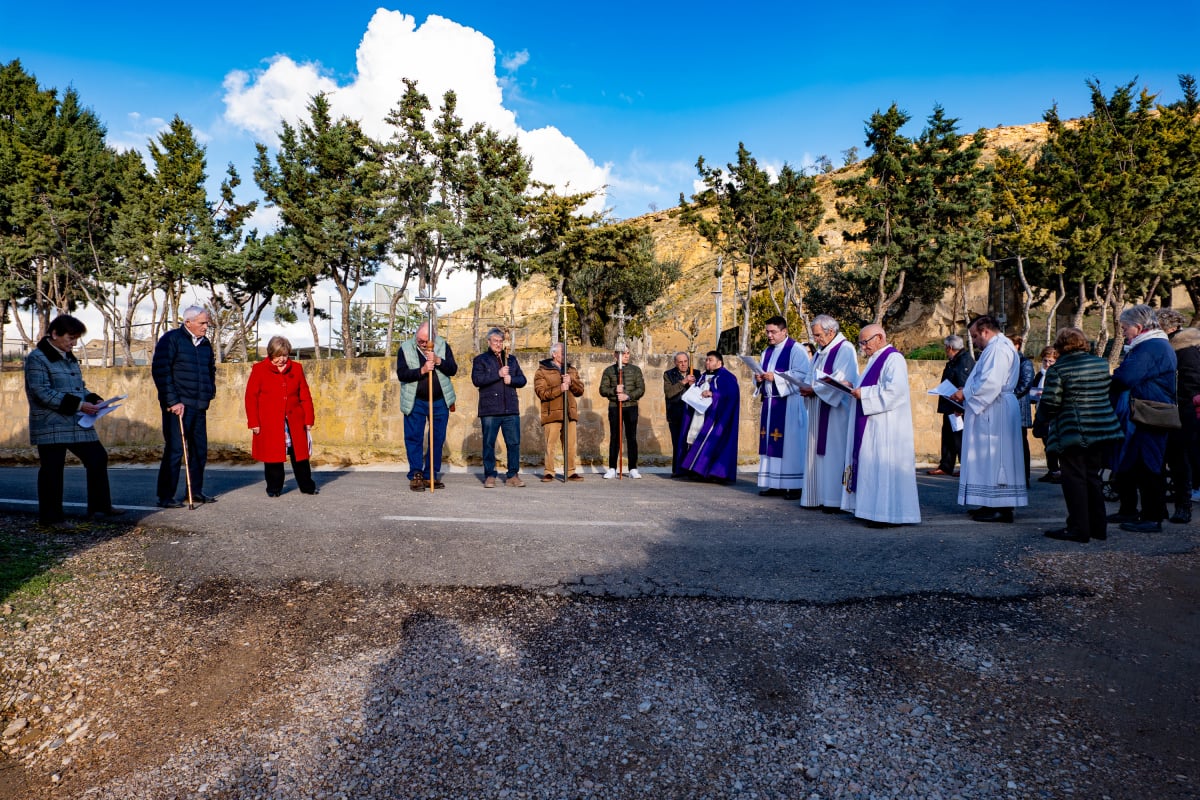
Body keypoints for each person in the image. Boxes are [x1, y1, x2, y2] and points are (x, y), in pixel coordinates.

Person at [24, 314, 123, 528]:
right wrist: (79, 405)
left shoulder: (69, 357)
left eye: (76, 338)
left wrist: (94, 399)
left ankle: (99, 507)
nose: (74, 343)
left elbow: (79, 387)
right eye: (71, 337)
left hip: (76, 421)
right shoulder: (37, 358)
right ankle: (51, 519)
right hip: (50, 423)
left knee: (97, 457)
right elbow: (41, 392)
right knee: (52, 469)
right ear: (54, 334)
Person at [1038, 328, 1124, 543]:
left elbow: (1051, 403)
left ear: (1061, 345)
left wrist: (1043, 419)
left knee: (1074, 479)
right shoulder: (1101, 364)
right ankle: (1098, 527)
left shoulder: (1058, 369)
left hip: (1072, 430)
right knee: (1092, 477)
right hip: (1100, 427)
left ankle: (1078, 528)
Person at [840, 324, 921, 527]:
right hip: (872, 423)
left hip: (886, 427)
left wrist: (863, 394)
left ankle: (886, 514)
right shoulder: (874, 359)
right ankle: (869, 510)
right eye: (860, 343)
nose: (863, 347)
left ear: (879, 338)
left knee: (882, 468)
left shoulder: (894, 359)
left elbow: (896, 391)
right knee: (871, 467)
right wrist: (853, 387)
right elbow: (869, 387)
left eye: (865, 342)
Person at [1109, 304, 1177, 533]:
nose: (1123, 332)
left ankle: (1152, 516)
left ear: (1138, 327)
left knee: (1149, 465)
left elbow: (1126, 377)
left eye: (1125, 327)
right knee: (1136, 463)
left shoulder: (1151, 347)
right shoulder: (1155, 345)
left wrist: (1116, 375)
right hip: (1146, 410)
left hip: (1148, 412)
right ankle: (1132, 511)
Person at [952, 315, 1027, 523]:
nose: (974, 341)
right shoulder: (995, 348)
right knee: (987, 458)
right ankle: (988, 502)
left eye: (975, 336)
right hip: (992, 407)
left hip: (996, 410)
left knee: (997, 458)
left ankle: (1001, 508)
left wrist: (965, 395)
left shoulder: (998, 348)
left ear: (986, 331)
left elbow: (991, 383)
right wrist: (965, 390)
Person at [152, 305, 217, 507]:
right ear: (188, 322)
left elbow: (210, 370)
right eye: (202, 323)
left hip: (199, 405)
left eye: (207, 323)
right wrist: (172, 401)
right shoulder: (171, 339)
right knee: (175, 450)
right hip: (178, 406)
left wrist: (209, 392)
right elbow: (161, 371)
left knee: (199, 451)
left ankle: (194, 491)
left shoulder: (205, 344)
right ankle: (166, 496)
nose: (206, 327)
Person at [244, 336, 318, 497]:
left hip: (294, 420)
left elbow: (305, 396)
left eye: (285, 355)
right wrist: (254, 422)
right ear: (271, 354)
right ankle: (274, 488)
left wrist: (308, 420)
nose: (282, 359)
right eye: (278, 355)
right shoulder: (259, 369)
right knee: (273, 457)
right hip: (269, 421)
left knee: (300, 456)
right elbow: (251, 398)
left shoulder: (296, 369)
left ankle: (307, 486)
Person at [799, 315, 858, 511]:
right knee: (816, 453)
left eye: (818, 335)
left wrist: (814, 390)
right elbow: (810, 374)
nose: (815, 339)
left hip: (836, 412)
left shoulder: (845, 349)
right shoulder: (819, 353)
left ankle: (833, 500)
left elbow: (841, 379)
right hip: (817, 409)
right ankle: (816, 496)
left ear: (831, 332)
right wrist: (804, 387)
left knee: (834, 452)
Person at [396, 321, 458, 492]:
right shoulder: (405, 348)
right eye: (419, 340)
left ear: (434, 337)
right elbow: (402, 374)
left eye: (425, 341)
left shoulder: (443, 346)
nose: (422, 344)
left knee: (437, 438)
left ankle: (431, 474)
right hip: (415, 400)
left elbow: (453, 369)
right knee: (414, 437)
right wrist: (422, 370)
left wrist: (438, 361)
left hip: (440, 400)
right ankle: (416, 474)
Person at [755, 315, 811, 500]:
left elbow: (802, 375)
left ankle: (793, 485)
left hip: (789, 404)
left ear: (784, 331)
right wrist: (760, 379)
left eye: (773, 332)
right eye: (767, 332)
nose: (769, 335)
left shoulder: (797, 350)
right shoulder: (766, 352)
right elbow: (763, 373)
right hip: (771, 403)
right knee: (770, 443)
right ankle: (773, 483)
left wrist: (776, 377)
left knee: (790, 446)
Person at [1158, 308, 1200, 523]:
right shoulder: (1177, 346)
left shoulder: (1184, 349)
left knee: (1178, 460)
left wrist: (1179, 401)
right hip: (1176, 410)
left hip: (1180, 412)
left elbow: (1191, 382)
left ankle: (1182, 506)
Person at [471, 328, 527, 488]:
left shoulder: (511, 359)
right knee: (489, 443)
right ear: (488, 342)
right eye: (495, 341)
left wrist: (512, 379)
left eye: (500, 341)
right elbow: (477, 380)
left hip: (510, 409)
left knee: (514, 443)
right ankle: (489, 475)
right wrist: (498, 373)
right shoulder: (480, 360)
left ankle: (513, 475)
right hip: (490, 410)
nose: (498, 344)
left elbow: (522, 380)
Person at [679, 351, 740, 482]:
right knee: (697, 442)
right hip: (700, 414)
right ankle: (699, 471)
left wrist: (714, 394)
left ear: (719, 362)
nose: (707, 362)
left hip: (717, 418)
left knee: (713, 445)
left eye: (710, 360)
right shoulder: (702, 377)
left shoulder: (727, 377)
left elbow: (731, 395)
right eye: (706, 360)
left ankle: (715, 474)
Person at [535, 342, 585, 482]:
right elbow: (541, 393)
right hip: (552, 413)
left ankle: (570, 471)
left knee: (570, 444)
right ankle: (549, 471)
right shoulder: (542, 371)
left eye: (565, 353)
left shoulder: (571, 370)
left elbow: (580, 390)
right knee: (550, 444)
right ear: (554, 354)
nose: (564, 355)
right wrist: (560, 388)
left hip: (569, 412)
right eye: (562, 352)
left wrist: (571, 383)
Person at [927, 334, 973, 477]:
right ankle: (946, 466)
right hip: (950, 404)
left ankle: (966, 467)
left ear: (950, 347)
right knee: (948, 436)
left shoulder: (963, 361)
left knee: (959, 437)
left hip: (956, 406)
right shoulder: (955, 360)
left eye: (946, 348)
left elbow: (963, 386)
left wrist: (959, 408)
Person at [599, 348, 645, 479]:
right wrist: (614, 390)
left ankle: (633, 468)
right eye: (623, 353)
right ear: (615, 355)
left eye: (628, 353)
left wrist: (628, 396)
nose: (626, 356)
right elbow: (602, 390)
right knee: (615, 437)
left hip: (631, 407)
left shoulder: (636, 370)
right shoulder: (609, 371)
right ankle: (612, 468)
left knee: (632, 438)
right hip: (615, 407)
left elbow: (641, 389)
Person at [663, 351, 701, 477]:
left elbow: (701, 392)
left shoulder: (696, 373)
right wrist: (683, 382)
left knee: (692, 442)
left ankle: (691, 469)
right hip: (676, 414)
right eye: (680, 362)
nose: (683, 364)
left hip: (692, 414)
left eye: (685, 361)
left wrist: (694, 385)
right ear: (675, 363)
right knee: (678, 443)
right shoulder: (668, 375)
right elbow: (669, 393)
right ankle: (677, 469)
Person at [1031, 346, 1062, 483]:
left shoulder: (1057, 374)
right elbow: (1032, 392)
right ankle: (1052, 469)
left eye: (1051, 361)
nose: (1047, 364)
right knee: (1046, 442)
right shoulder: (1040, 375)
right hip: (1041, 410)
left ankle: (1058, 471)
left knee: (1055, 443)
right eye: (1045, 361)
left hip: (1054, 413)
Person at [1011, 335, 1036, 488]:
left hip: (1019, 408)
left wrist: (1008, 396)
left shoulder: (1024, 362)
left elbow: (1025, 384)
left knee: (1021, 444)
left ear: (1017, 345)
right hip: (1010, 407)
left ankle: (1024, 477)